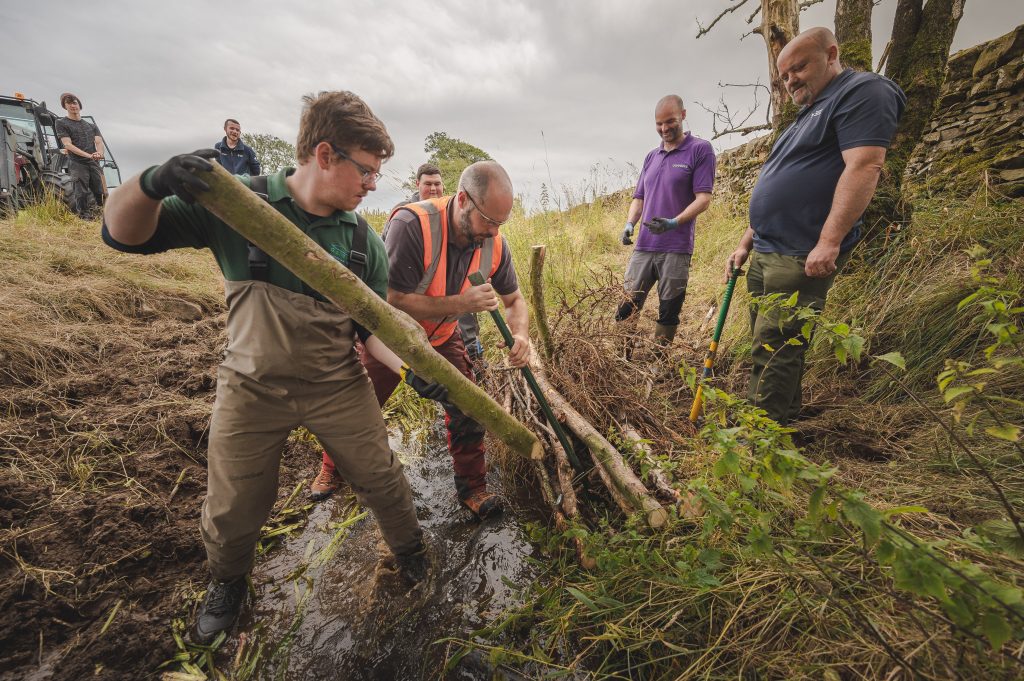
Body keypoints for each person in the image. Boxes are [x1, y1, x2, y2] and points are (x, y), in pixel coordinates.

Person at [102, 91, 438, 644]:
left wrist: (410, 369)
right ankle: (228, 583)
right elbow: (121, 235)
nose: (373, 184)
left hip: (336, 385)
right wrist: (151, 182)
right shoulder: (238, 205)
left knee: (382, 477)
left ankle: (411, 553)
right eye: (367, 171)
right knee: (235, 500)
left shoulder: (362, 240)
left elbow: (374, 329)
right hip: (250, 386)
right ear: (325, 154)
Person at [310, 161, 530, 519]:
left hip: (443, 336)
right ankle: (331, 469)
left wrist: (520, 334)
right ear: (462, 200)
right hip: (390, 335)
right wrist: (463, 303)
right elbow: (392, 299)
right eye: (488, 220)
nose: (492, 232)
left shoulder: (494, 242)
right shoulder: (411, 224)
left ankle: (473, 488)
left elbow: (515, 300)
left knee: (468, 406)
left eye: (500, 223)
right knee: (359, 405)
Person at [725, 27, 906, 425]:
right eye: (784, 75)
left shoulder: (863, 91)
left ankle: (758, 441)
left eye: (799, 67)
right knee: (769, 343)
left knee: (775, 347)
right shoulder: (803, 118)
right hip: (766, 249)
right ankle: (782, 420)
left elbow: (865, 164)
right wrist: (744, 243)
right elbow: (775, 186)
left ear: (832, 53)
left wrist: (829, 241)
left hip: (799, 251)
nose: (790, 79)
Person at [616, 95, 716, 353]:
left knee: (668, 309)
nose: (664, 129)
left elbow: (703, 198)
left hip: (676, 246)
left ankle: (658, 362)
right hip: (644, 246)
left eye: (670, 121)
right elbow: (639, 197)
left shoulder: (700, 150)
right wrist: (629, 224)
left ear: (683, 115)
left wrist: (674, 222)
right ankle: (622, 359)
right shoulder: (652, 156)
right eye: (659, 124)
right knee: (627, 304)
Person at [55, 93, 105, 218]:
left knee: (100, 191)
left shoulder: (91, 126)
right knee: (81, 192)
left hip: (93, 163)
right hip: (77, 163)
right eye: (69, 103)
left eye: (75, 102)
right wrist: (88, 155)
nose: (73, 105)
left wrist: (99, 153)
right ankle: (84, 218)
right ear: (65, 106)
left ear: (79, 105)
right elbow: (68, 145)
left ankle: (102, 215)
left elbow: (98, 142)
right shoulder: (61, 123)